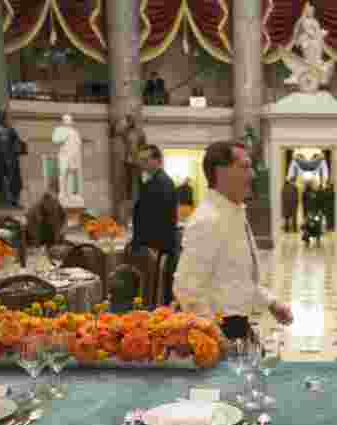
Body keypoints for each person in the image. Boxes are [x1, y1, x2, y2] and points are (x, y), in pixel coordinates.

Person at [174, 140, 294, 341]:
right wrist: (215, 338)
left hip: (237, 327)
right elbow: (187, 289)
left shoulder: (233, 212)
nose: (253, 174)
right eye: (245, 167)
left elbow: (236, 281)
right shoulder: (208, 220)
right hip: (221, 331)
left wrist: (271, 303)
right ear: (221, 172)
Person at [131, 145, 179, 301]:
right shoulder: (152, 180)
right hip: (152, 246)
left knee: (157, 291)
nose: (141, 164)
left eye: (145, 160)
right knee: (151, 288)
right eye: (140, 160)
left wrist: (152, 247)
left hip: (157, 247)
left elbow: (163, 219)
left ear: (158, 161)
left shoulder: (163, 183)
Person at [0, 109, 27, 208]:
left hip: (11, 159)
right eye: (1, 116)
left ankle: (14, 201)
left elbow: (18, 141)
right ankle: (3, 201)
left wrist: (20, 147)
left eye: (4, 116)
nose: (3, 118)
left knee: (14, 181)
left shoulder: (10, 129)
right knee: (1, 181)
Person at [109, 113, 147, 203]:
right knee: (128, 182)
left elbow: (144, 146)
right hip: (129, 159)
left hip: (137, 159)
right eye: (128, 121)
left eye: (130, 121)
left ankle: (138, 197)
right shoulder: (126, 132)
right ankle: (129, 198)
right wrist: (120, 122)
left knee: (138, 180)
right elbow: (113, 132)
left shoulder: (139, 133)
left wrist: (142, 158)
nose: (129, 123)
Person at [52, 114, 83, 202]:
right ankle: (62, 193)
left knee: (71, 174)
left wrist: (77, 156)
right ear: (63, 121)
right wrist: (64, 136)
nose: (68, 121)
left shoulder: (75, 131)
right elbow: (55, 140)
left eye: (69, 120)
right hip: (64, 155)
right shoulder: (59, 130)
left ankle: (70, 194)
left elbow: (78, 144)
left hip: (73, 155)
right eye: (66, 119)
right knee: (63, 173)